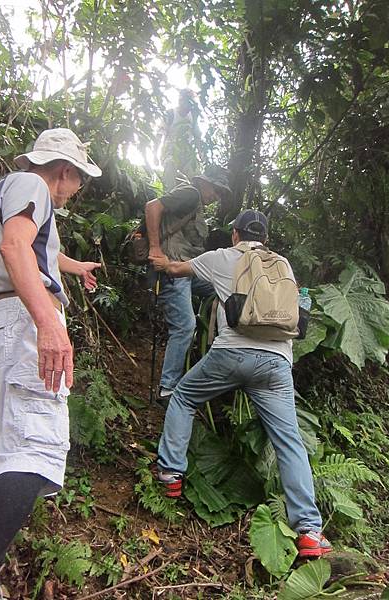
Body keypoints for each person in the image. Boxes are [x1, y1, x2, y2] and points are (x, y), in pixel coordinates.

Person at [0, 128, 102, 599]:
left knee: (1, 467)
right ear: (64, 171)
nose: (76, 190)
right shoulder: (35, 185)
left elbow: (32, 245)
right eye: (79, 179)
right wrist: (49, 323)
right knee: (35, 455)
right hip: (23, 322)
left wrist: (73, 266)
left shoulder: (11, 190)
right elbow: (17, 247)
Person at [149, 209, 332, 559]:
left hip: (231, 353)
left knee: (184, 397)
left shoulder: (221, 258)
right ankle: (309, 530)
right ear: (265, 236)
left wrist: (159, 259)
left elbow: (176, 269)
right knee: (290, 442)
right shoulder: (283, 264)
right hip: (276, 364)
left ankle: (170, 475)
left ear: (234, 234)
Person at [145, 166, 231, 406]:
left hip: (186, 272)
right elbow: (153, 206)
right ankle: (167, 388)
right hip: (172, 272)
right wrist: (154, 248)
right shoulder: (191, 194)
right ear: (204, 182)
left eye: (221, 192)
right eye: (216, 189)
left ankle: (217, 343)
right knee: (185, 325)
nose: (217, 196)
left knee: (220, 288)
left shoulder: (196, 203)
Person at [159, 89, 203, 190]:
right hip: (171, 150)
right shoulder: (170, 114)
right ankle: (167, 199)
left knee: (197, 177)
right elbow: (160, 134)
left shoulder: (193, 116)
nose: (189, 106)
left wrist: (201, 153)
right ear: (181, 101)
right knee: (170, 167)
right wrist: (155, 154)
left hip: (187, 152)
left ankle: (195, 202)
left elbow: (197, 136)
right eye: (187, 103)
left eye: (191, 104)